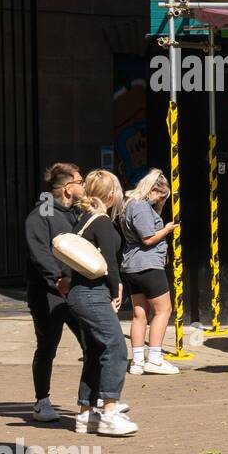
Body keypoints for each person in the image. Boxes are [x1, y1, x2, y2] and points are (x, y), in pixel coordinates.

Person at [67, 170, 136, 437]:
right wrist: (116, 290)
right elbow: (110, 264)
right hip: (93, 294)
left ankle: (86, 414)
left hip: (78, 294)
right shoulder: (103, 222)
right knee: (116, 348)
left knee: (95, 352)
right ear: (111, 195)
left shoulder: (83, 219)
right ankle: (109, 411)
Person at [24, 163, 85, 422]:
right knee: (47, 347)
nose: (84, 185)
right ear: (68, 187)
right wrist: (58, 278)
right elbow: (39, 253)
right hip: (48, 293)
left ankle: (96, 400)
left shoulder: (75, 213)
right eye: (80, 181)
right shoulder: (41, 215)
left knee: (92, 342)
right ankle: (42, 401)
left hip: (76, 290)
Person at [120, 169, 179, 375]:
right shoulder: (142, 207)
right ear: (154, 189)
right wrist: (167, 229)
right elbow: (148, 238)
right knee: (163, 310)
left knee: (139, 314)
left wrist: (159, 207)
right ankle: (154, 358)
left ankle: (137, 361)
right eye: (161, 196)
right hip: (148, 264)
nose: (159, 200)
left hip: (131, 265)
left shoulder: (129, 204)